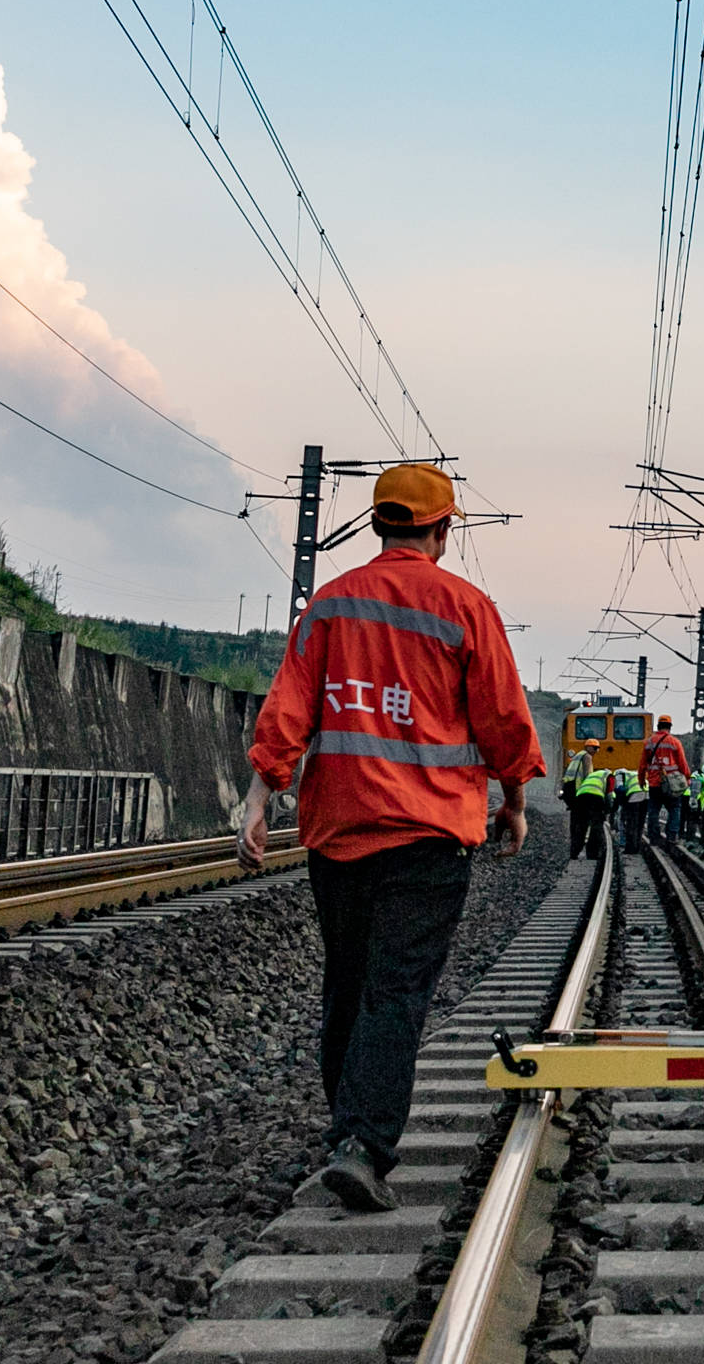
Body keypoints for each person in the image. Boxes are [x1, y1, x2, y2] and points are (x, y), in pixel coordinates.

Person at [242, 463, 541, 1214]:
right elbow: (504, 719)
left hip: (337, 832)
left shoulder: (331, 606)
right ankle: (362, 1144)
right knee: (396, 990)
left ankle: (347, 1129)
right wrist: (514, 800)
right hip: (429, 834)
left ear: (379, 525)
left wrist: (257, 797)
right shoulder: (464, 607)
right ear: (444, 531)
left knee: (347, 984)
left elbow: (289, 709)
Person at [639, 714, 689, 845]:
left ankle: (654, 837)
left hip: (654, 782)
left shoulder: (649, 743)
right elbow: (683, 763)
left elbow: (642, 764)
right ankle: (672, 835)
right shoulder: (675, 742)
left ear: (658, 726)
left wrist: (641, 780)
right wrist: (687, 778)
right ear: (670, 727)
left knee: (654, 809)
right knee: (674, 808)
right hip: (672, 784)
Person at [568, 762, 611, 859]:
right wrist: (608, 810)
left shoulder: (593, 776)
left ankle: (574, 853)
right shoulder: (610, 776)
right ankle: (592, 854)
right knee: (596, 826)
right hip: (596, 798)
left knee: (581, 826)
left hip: (580, 797)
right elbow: (609, 795)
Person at [613, 763, 650, 852]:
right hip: (647, 796)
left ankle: (630, 848)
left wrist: (620, 805)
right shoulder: (633, 774)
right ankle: (637, 847)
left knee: (631, 823)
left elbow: (620, 789)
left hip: (635, 797)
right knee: (640, 824)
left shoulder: (619, 775)